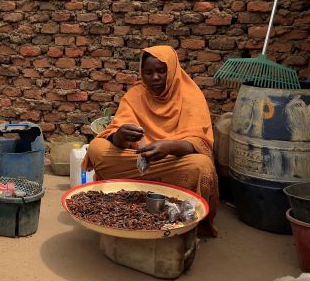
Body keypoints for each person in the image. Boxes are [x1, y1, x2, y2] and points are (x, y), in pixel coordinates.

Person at [84, 45, 220, 237]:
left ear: (172, 70)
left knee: (201, 166)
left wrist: (170, 146)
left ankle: (185, 216)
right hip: (137, 160)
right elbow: (117, 136)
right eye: (148, 72)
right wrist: (121, 135)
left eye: (161, 71)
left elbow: (200, 143)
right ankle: (128, 200)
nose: (154, 77)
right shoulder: (136, 94)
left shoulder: (189, 94)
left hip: (172, 162)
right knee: (97, 148)